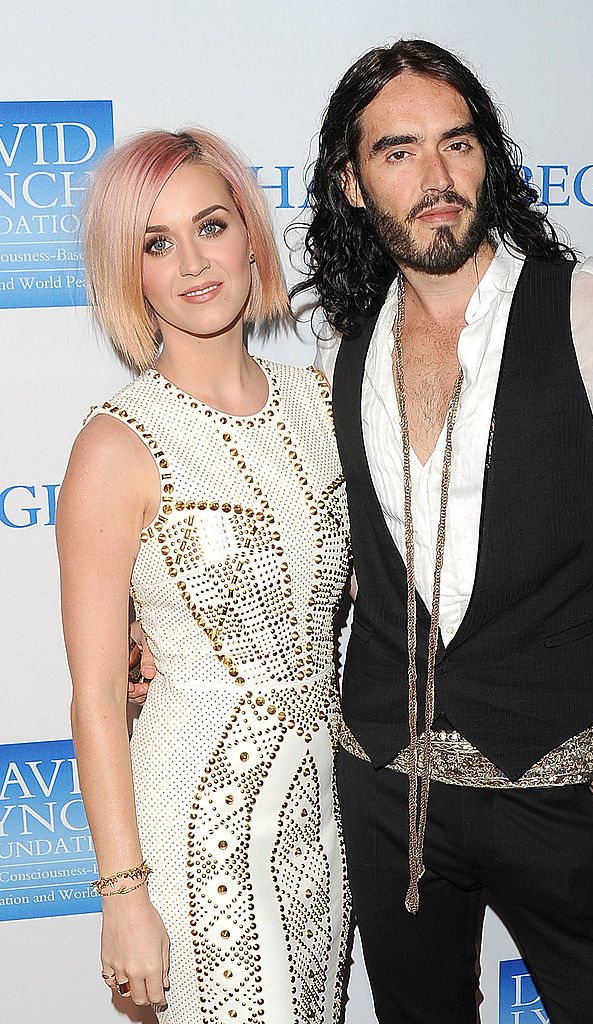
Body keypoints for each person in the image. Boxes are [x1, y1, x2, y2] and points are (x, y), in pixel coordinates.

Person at [289, 38, 593, 1024]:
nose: (434, 179)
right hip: (384, 787)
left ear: (488, 156)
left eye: (456, 144)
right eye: (397, 153)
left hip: (562, 784)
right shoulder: (345, 349)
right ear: (351, 182)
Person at [56, 129, 352, 1023]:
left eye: (211, 225)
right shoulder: (117, 445)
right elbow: (100, 695)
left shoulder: (326, 401)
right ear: (130, 271)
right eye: (156, 242)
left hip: (321, 817)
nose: (191, 261)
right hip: (197, 823)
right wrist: (123, 897)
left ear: (251, 235)